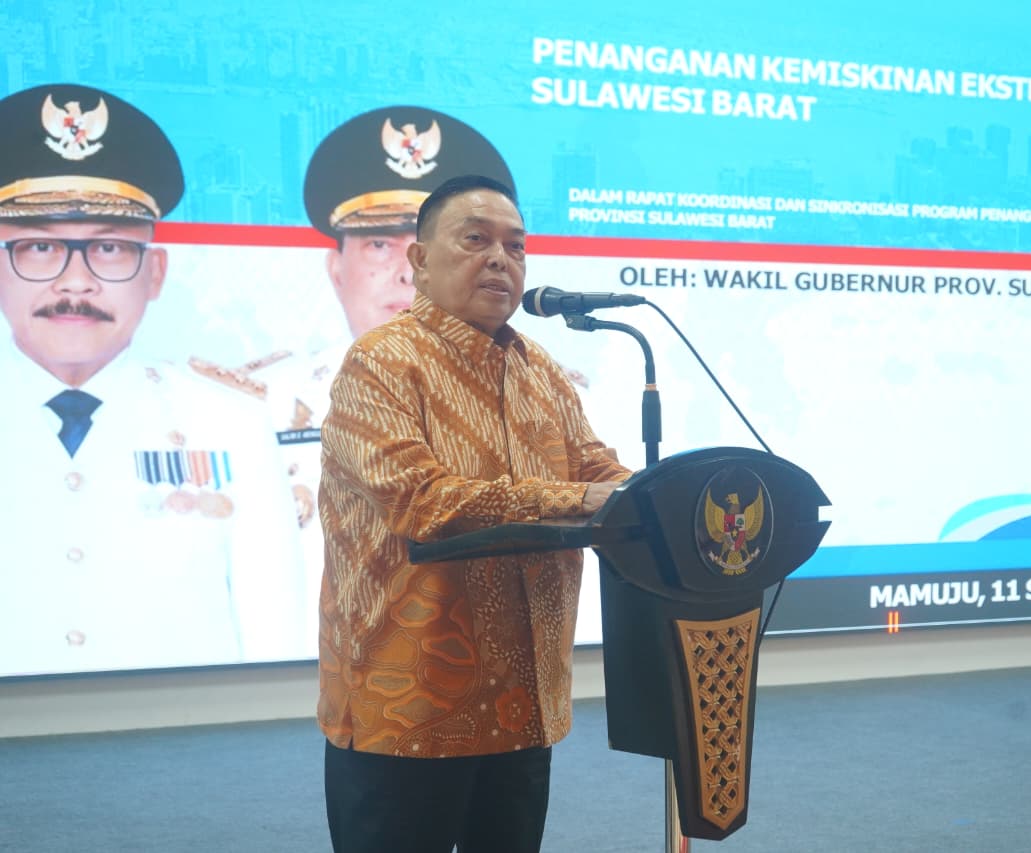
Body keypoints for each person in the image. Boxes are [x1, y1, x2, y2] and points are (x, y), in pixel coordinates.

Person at [318, 174, 630, 853]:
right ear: (420, 261)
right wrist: (573, 499)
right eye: (475, 240)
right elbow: (421, 501)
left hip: (523, 698)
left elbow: (595, 470)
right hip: (410, 705)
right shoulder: (381, 363)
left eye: (515, 247)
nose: (500, 260)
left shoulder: (539, 369)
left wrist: (661, 496)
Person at [0, 83, 307, 676]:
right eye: (38, 247)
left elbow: (278, 643)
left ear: (156, 272)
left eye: (110, 250)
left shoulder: (229, 422)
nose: (75, 283)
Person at [245, 106, 518, 646]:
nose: (405, 273)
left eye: (453, 245)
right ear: (335, 270)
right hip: (363, 663)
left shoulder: (536, 381)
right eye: (378, 244)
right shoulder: (257, 400)